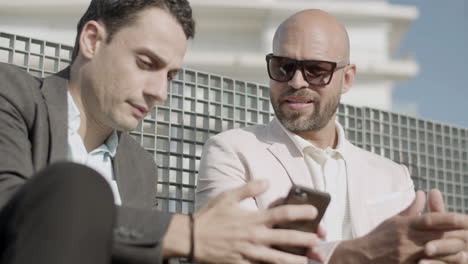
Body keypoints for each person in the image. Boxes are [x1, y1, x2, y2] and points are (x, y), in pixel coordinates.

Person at [0, 1, 326, 264]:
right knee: (78, 185)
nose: (160, 92)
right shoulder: (10, 93)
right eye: (146, 63)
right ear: (92, 41)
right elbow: (11, 205)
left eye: (170, 76)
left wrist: (244, 244)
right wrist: (188, 234)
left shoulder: (140, 168)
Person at [196, 9, 468, 264]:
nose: (296, 81)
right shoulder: (232, 150)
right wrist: (358, 254)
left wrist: (438, 255)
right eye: (283, 67)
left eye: (316, 70)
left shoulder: (394, 177)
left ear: (347, 79)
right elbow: (227, 254)